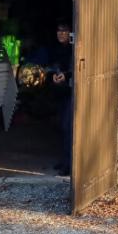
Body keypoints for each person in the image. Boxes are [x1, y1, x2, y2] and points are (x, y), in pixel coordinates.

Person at [51, 21, 74, 176]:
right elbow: (54, 66)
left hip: (72, 92)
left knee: (68, 127)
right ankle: (64, 161)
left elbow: (74, 69)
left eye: (64, 31)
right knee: (62, 127)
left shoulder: (74, 49)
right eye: (59, 31)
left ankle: (68, 164)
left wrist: (65, 75)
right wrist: (53, 75)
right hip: (62, 92)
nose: (61, 34)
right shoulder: (58, 49)